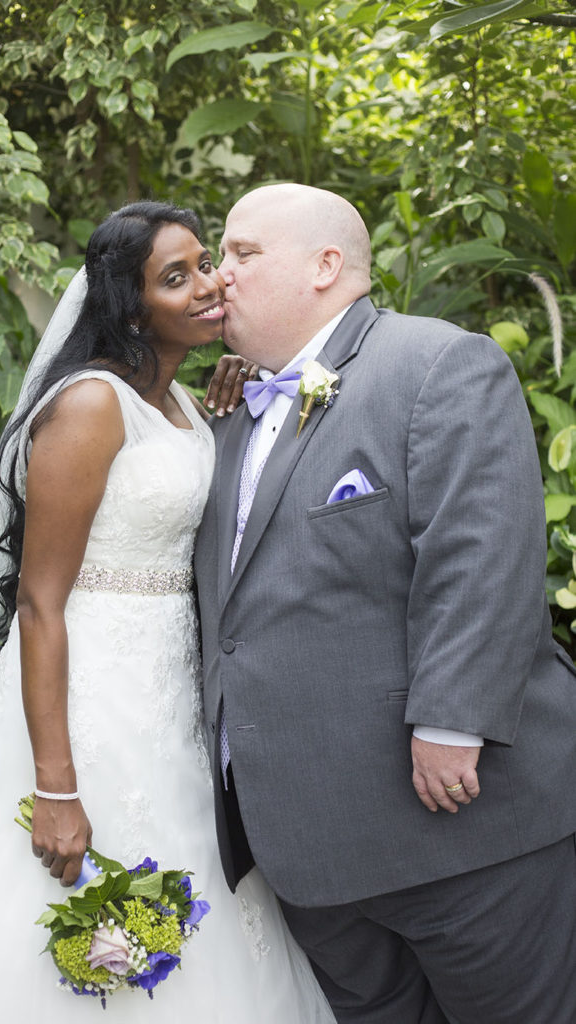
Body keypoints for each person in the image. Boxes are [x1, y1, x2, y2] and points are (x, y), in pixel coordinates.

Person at [0, 201, 334, 1022]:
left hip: (175, 703)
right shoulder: (90, 405)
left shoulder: (184, 406)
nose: (209, 285)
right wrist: (56, 786)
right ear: (130, 307)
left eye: (206, 263)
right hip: (90, 699)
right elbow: (38, 601)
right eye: (178, 277)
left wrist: (222, 413)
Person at [194, 182, 576, 1024]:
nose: (218, 275)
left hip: (460, 835)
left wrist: (452, 722)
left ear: (327, 265)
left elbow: (481, 549)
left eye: (241, 253)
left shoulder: (436, 360)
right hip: (307, 855)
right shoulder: (229, 409)